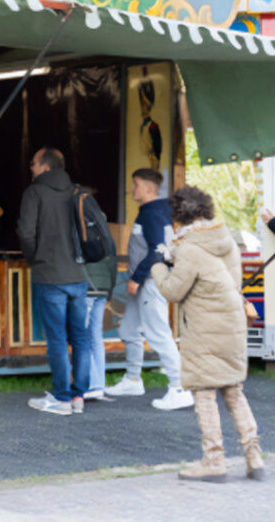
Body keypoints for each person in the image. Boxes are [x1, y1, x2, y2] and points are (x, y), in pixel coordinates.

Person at [152, 185, 264, 482]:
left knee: (204, 393)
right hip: (232, 325)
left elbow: (174, 291)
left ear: (179, 216)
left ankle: (213, 461)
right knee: (234, 391)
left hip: (204, 329)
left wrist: (158, 268)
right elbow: (227, 281)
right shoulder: (223, 238)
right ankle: (254, 456)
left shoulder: (189, 248)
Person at [104, 168, 193, 410]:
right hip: (143, 281)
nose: (132, 189)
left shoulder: (154, 213)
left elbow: (159, 249)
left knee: (158, 334)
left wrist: (138, 277)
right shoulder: (150, 212)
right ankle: (133, 380)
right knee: (129, 329)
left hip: (150, 281)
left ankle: (179, 388)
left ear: (149, 188)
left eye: (136, 184)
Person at [17, 146, 90, 415]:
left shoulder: (34, 192)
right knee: (80, 338)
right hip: (79, 275)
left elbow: (26, 232)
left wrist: (35, 258)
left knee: (58, 339)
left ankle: (61, 397)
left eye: (33, 163)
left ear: (46, 166)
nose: (31, 167)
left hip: (49, 275)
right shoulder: (77, 191)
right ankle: (78, 396)